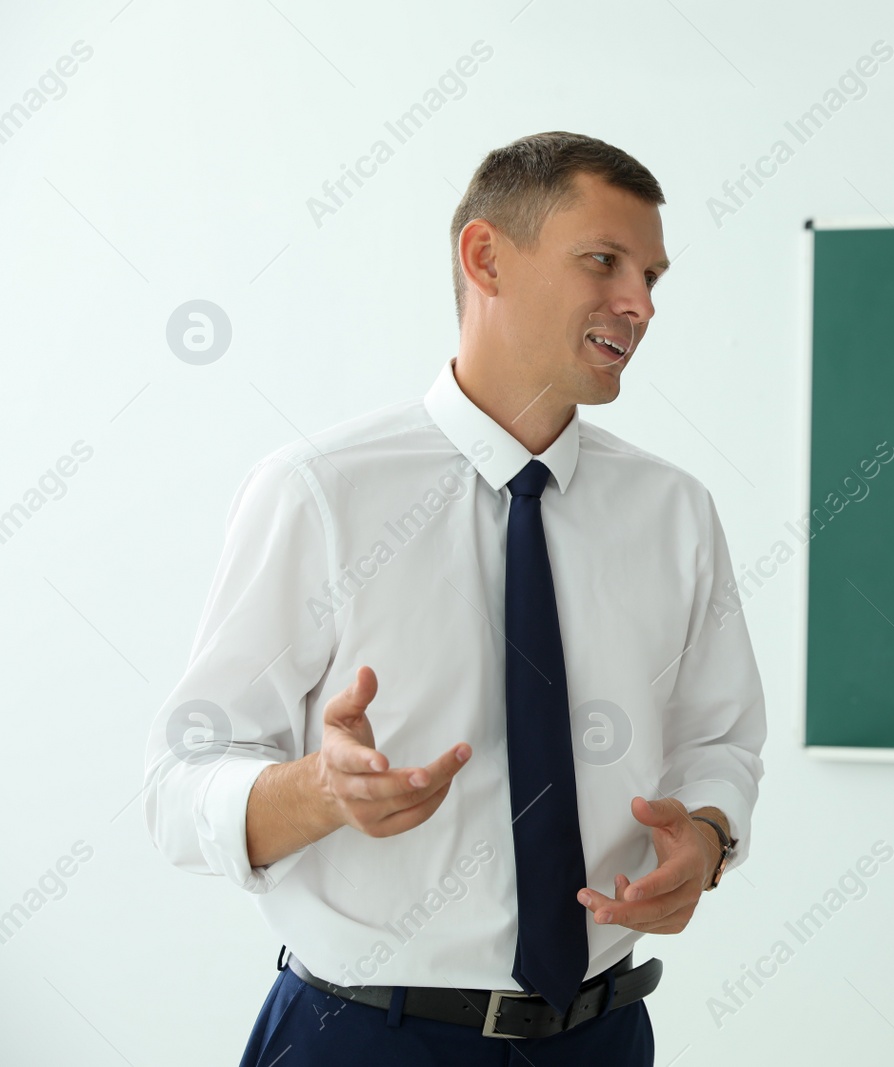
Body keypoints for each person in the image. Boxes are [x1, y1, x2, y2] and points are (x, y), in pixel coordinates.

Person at [142, 131, 767, 1065]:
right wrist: (317, 791)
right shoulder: (319, 492)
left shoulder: (674, 511)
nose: (638, 304)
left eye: (651, 275)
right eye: (604, 261)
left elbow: (721, 742)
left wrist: (709, 841)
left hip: (603, 1037)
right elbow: (176, 786)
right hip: (360, 1035)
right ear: (486, 258)